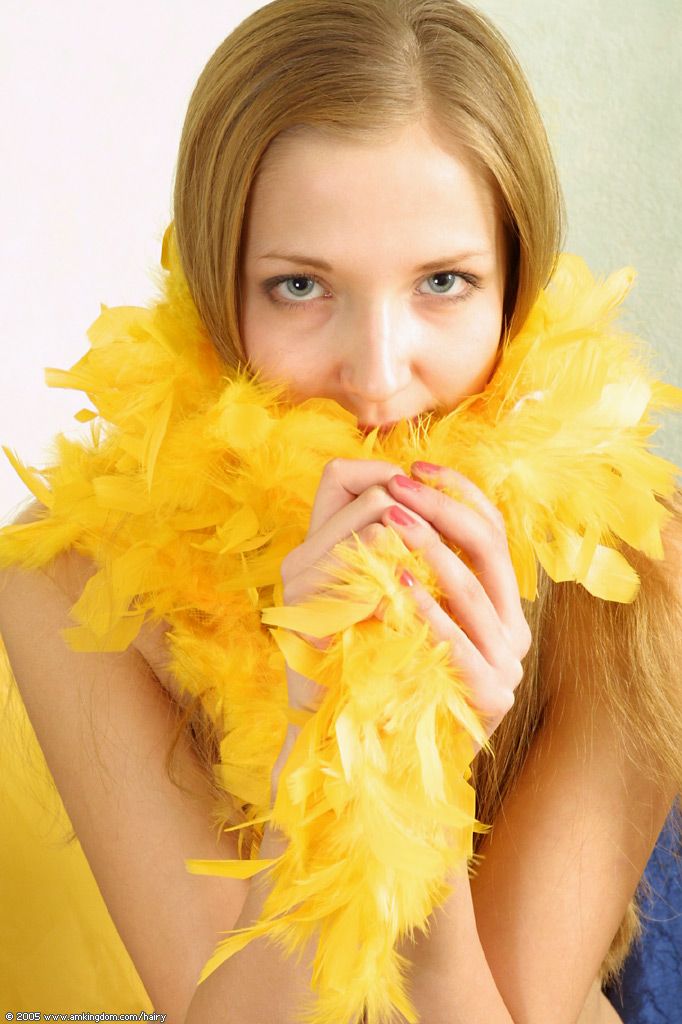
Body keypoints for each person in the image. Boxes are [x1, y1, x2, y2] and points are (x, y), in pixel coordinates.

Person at [0, 2, 680, 1022]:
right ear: (218, 294)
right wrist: (315, 737)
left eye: (443, 281)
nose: (375, 376)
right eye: (300, 286)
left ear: (515, 288)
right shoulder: (68, 578)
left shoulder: (639, 565)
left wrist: (409, 760)